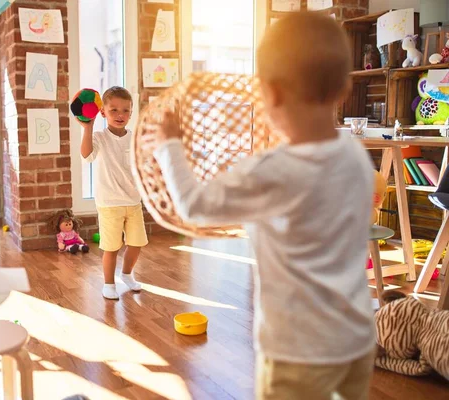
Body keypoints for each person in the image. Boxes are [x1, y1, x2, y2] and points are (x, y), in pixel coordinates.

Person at [146, 12, 376, 400]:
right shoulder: (354, 153)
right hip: (356, 339)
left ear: (268, 93)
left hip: (297, 353)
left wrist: (169, 145)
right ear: (344, 91)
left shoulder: (272, 171)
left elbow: (194, 205)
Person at [80, 86, 148, 300]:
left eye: (126, 111)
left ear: (131, 112)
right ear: (102, 112)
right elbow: (87, 155)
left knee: (136, 243)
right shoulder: (99, 137)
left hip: (133, 201)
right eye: (114, 110)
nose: (120, 115)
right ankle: (108, 283)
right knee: (111, 247)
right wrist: (88, 128)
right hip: (109, 203)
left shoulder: (134, 138)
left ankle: (126, 275)